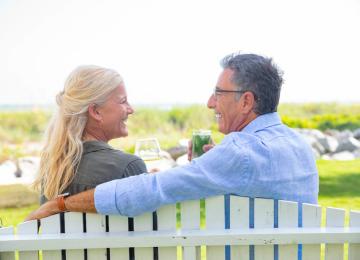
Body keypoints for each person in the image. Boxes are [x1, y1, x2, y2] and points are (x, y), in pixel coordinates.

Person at [26, 53, 318, 221]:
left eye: (219, 93)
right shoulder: (299, 147)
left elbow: (153, 189)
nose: (210, 103)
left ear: (246, 102)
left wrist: (60, 204)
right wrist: (215, 161)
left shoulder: (239, 153)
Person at [32, 65, 146, 205]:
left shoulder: (54, 169)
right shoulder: (127, 167)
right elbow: (150, 224)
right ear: (96, 111)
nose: (131, 109)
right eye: (123, 101)